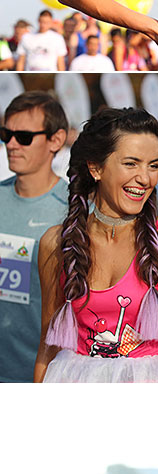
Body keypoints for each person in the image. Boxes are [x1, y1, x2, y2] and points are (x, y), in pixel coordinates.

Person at [34, 106, 158, 383]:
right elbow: (48, 346)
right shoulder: (56, 243)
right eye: (131, 163)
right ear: (95, 167)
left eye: (153, 165)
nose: (145, 178)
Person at [0, 91, 68, 383]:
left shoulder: (75, 209)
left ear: (56, 140)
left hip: (45, 376)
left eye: (24, 136)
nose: (12, 144)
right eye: (6, 134)